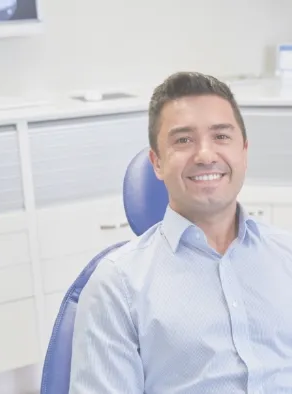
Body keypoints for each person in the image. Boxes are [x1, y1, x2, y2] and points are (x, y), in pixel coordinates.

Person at [68, 71, 292, 393]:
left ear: (244, 151)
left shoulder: (286, 255)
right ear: (157, 163)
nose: (205, 155)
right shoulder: (118, 286)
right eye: (183, 140)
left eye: (221, 136)